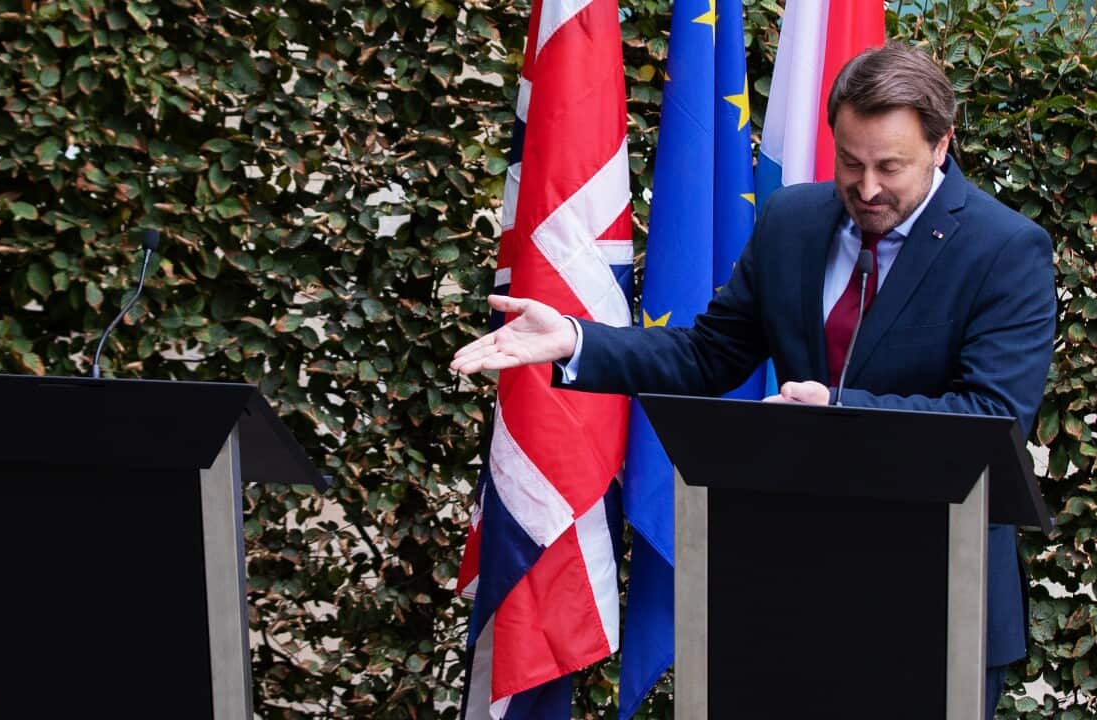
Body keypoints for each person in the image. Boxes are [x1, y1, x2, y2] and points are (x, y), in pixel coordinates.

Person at [452, 43, 1055, 718]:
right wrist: (578, 339)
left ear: (942, 145)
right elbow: (711, 355)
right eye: (850, 162)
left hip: (936, 599)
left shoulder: (1007, 251)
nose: (867, 188)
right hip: (785, 587)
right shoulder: (792, 221)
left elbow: (989, 413)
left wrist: (838, 409)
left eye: (891, 167)